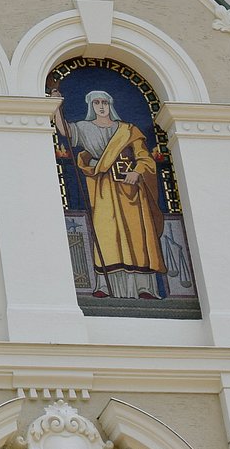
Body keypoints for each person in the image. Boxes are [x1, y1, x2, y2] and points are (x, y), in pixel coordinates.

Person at [51, 88, 165, 299]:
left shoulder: (128, 130)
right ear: (91, 106)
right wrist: (56, 106)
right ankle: (105, 285)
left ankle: (143, 287)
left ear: (110, 105)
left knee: (136, 235)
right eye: (96, 103)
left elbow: (145, 157)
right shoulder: (85, 128)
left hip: (131, 191)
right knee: (106, 235)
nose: (101, 106)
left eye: (104, 102)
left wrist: (137, 172)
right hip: (102, 188)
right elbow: (65, 131)